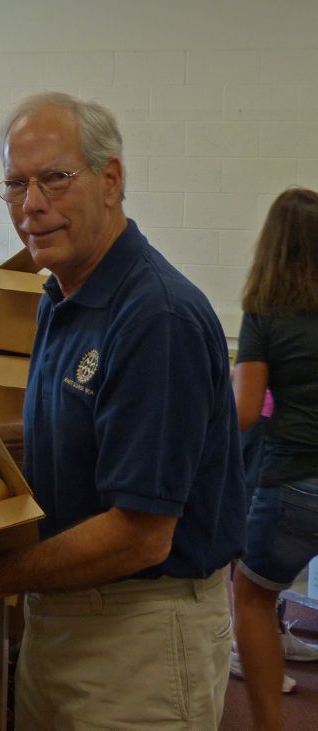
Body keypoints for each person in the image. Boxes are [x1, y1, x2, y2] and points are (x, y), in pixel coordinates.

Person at [0, 92, 245, 728]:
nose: (32, 204)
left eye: (55, 178)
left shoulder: (155, 317)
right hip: (62, 614)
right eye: (15, 184)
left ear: (111, 180)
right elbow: (68, 438)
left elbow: (140, 534)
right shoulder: (62, 298)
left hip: (141, 636)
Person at [231, 187, 318, 729]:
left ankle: (267, 723)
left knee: (253, 598)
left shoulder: (264, 312)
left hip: (292, 482)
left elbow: (243, 412)